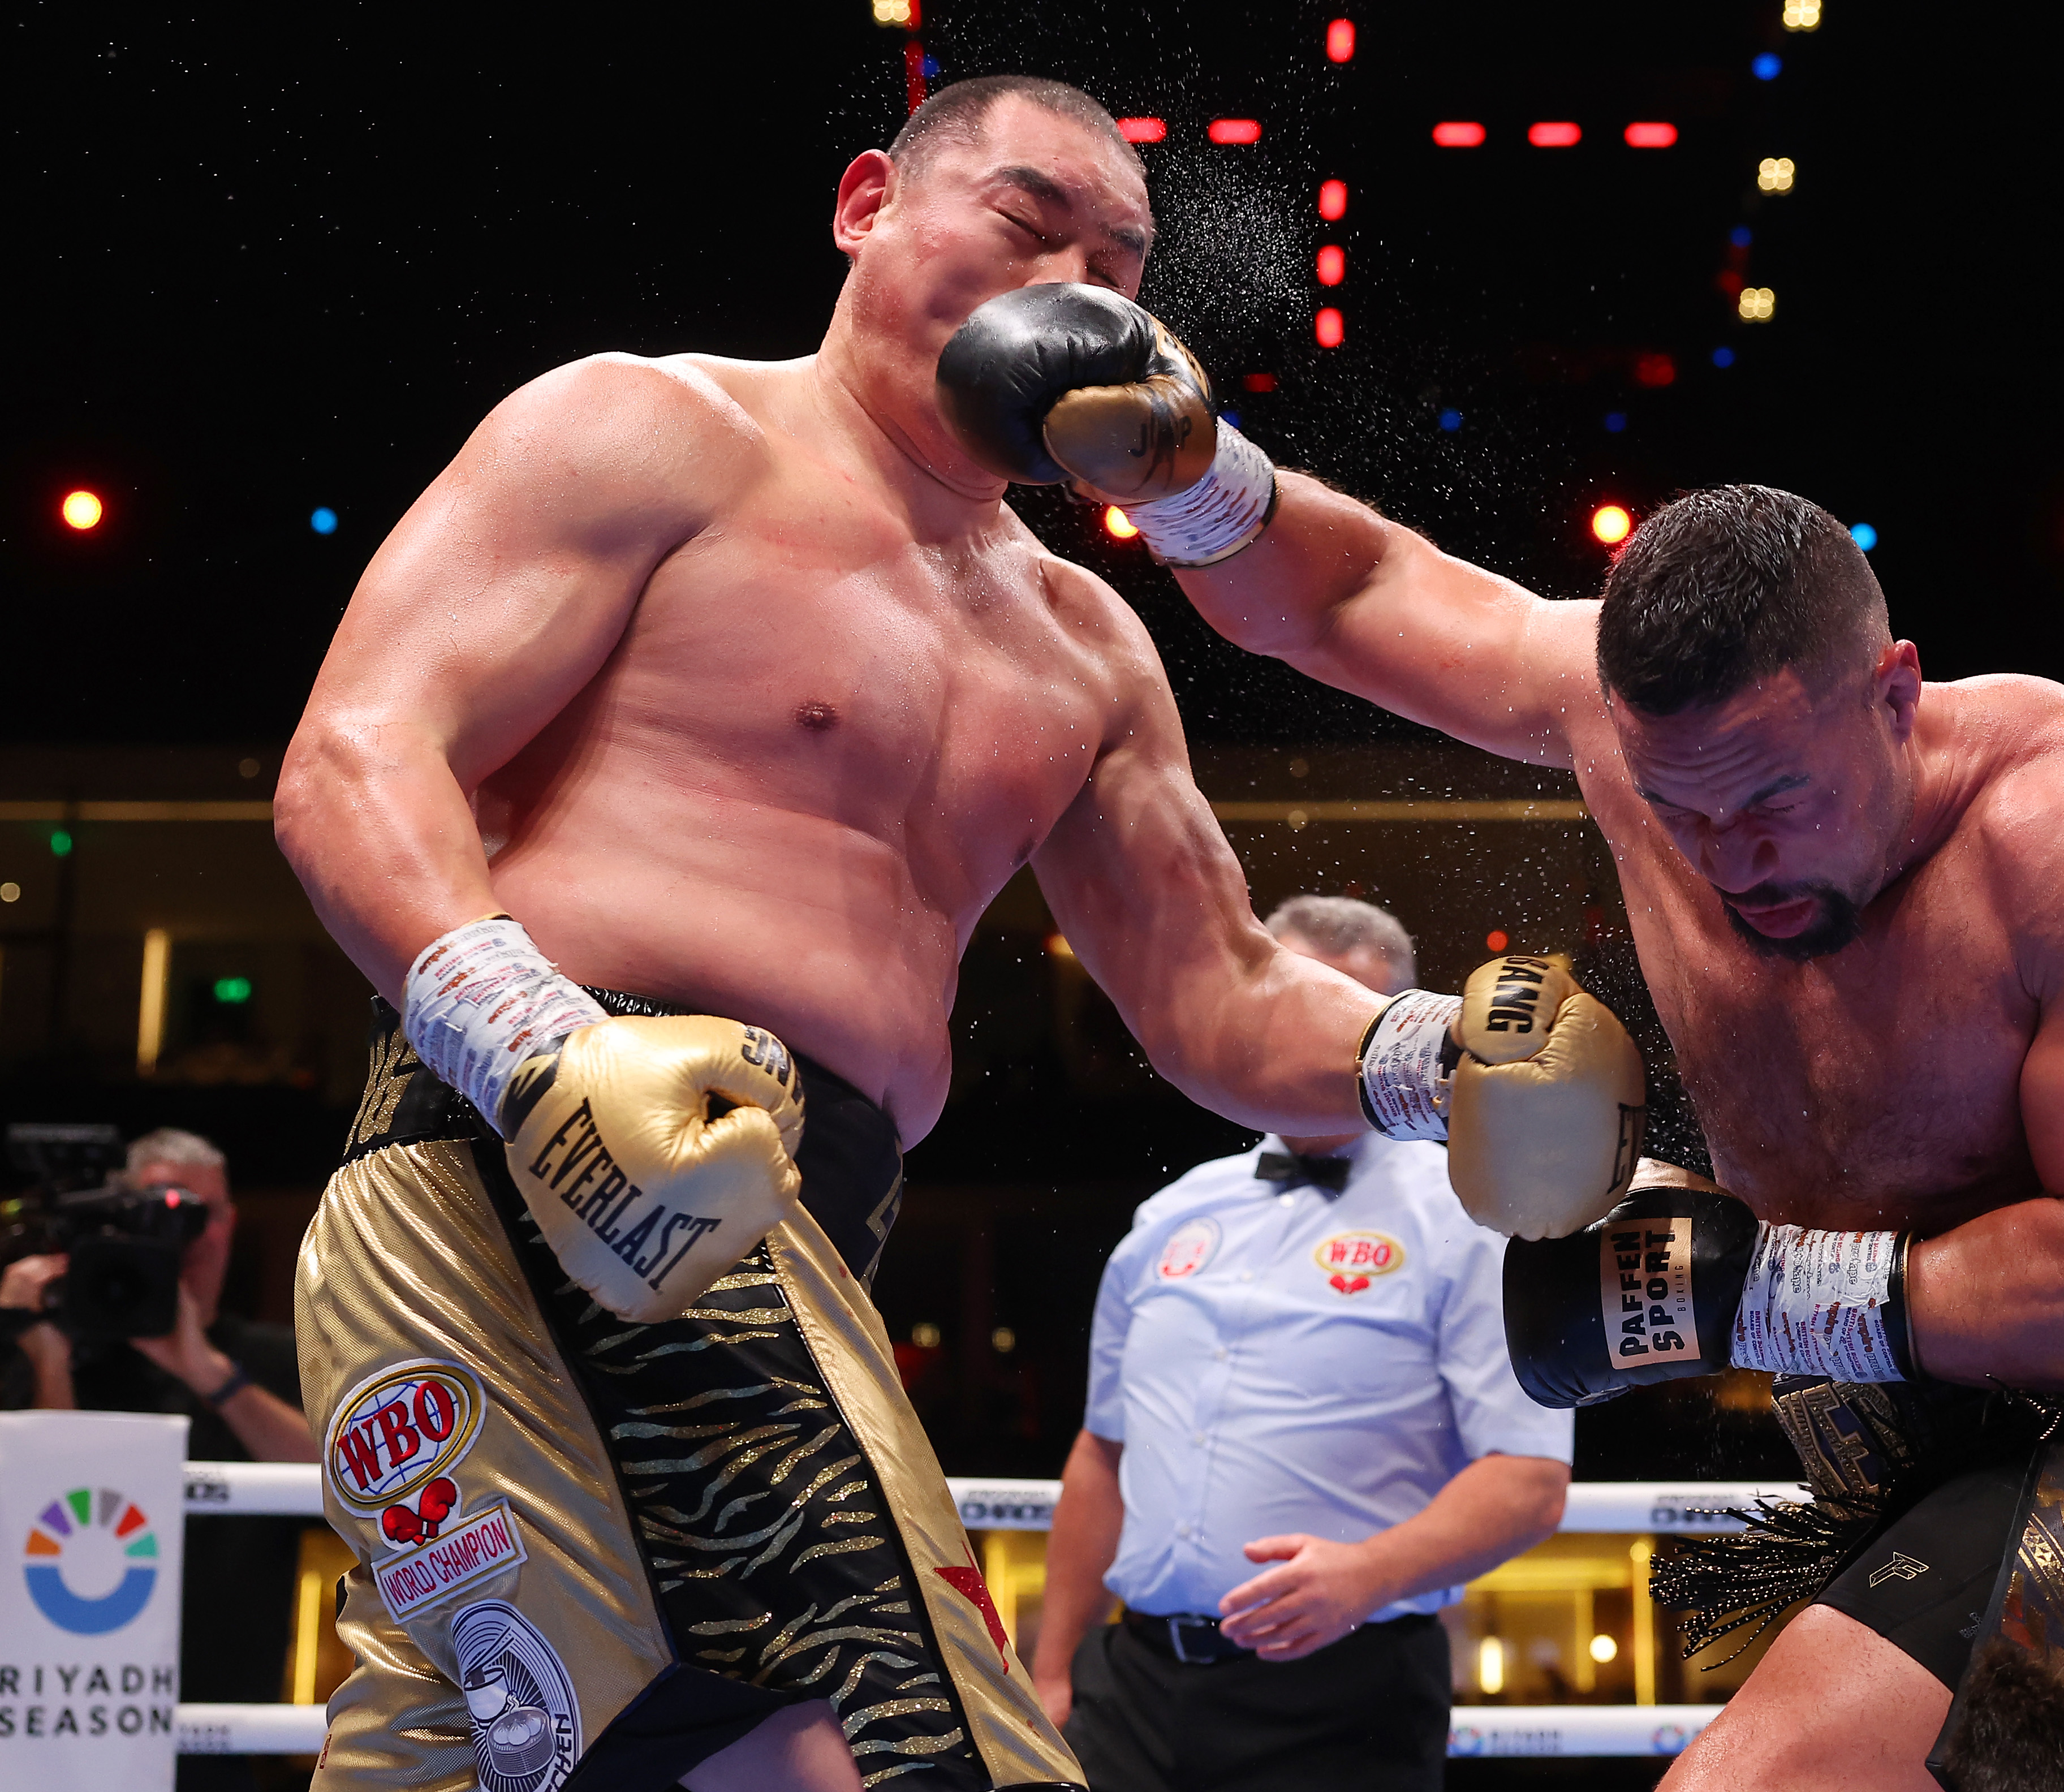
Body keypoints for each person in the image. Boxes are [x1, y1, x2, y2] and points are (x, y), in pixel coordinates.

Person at [933, 307, 2064, 1792]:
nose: (1729, 856)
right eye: (1684, 811)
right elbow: (1357, 590)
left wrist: (1729, 1287)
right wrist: (1189, 479)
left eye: (1776, 796)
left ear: (1897, 692)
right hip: (1907, 1466)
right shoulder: (1628, 745)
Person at [273, 75, 1641, 1792]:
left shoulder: (1084, 642)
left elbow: (1213, 997)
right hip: (527, 1152)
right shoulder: (651, 430)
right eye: (1027, 219)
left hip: (800, 1213)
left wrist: (1446, 1059)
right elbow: (354, 757)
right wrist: (535, 1040)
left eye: (1119, 259)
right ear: (865, 206)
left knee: (498, 1759)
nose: (1078, 279)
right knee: (915, 1739)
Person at [1030, 895, 1574, 1792]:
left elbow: (1527, 1481)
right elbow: (1103, 1451)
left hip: (1345, 1699)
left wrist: (1366, 1575)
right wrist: (1051, 1672)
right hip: (1128, 1692)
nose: (1313, 1049)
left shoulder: (1471, 1216)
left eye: (1345, 1023)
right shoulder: (1172, 1215)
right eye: (1291, 1013)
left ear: (1398, 1033)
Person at [2, 1127, 315, 1792]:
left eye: (201, 1213)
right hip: (62, 1725)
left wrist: (207, 1373)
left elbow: (342, 1489)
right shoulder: (50, 1349)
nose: (185, 1234)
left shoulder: (270, 1358)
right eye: (158, 1211)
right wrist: (46, 1354)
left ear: (230, 1226)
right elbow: (48, 1520)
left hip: (223, 1743)